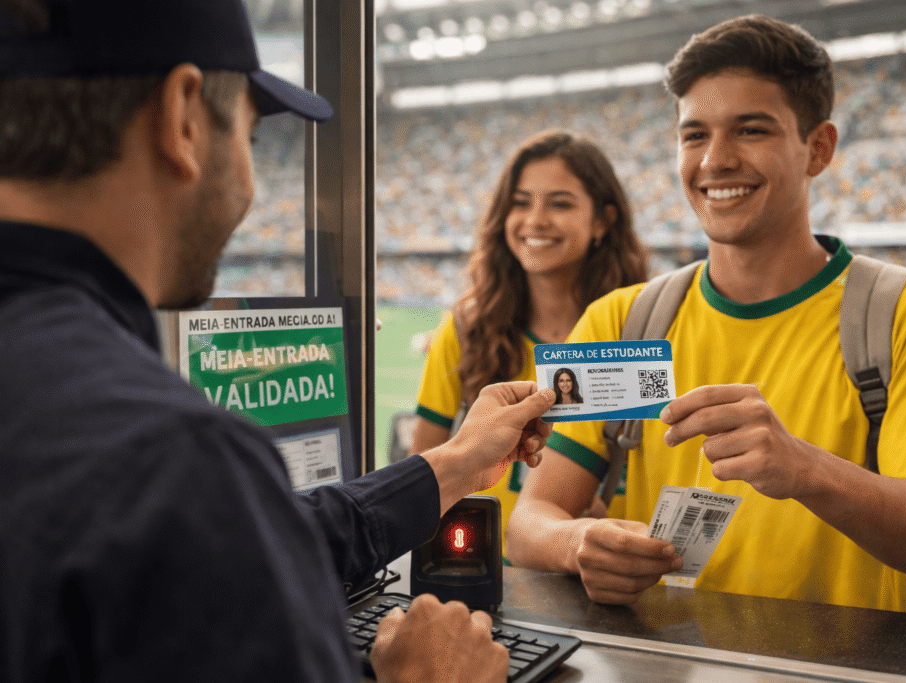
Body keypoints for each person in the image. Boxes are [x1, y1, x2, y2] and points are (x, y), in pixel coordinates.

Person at [0, 1, 557, 682]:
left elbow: (223, 548)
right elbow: (200, 522)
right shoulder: (173, 457)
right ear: (181, 118)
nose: (251, 175)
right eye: (251, 135)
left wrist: (454, 466)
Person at [506, 14, 906, 613]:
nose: (715, 160)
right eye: (694, 134)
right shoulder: (623, 322)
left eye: (751, 130)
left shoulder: (903, 318)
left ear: (819, 148)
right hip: (661, 667)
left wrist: (805, 469)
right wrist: (577, 542)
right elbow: (529, 519)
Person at [410, 129, 648, 542]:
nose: (535, 220)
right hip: (484, 576)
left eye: (559, 203)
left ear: (602, 222)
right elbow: (424, 470)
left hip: (602, 579)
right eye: (520, 203)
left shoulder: (644, 331)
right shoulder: (467, 330)